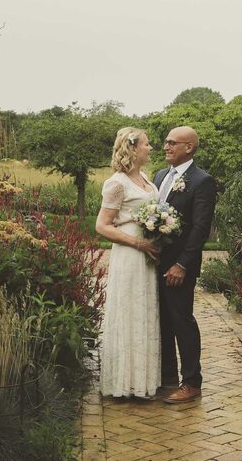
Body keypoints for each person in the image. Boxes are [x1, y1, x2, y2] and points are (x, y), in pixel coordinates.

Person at [95, 127, 161, 398]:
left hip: (148, 252)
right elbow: (102, 226)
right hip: (130, 251)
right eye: (146, 144)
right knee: (129, 311)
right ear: (133, 149)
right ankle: (124, 383)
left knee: (144, 311)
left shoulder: (145, 177)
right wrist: (138, 243)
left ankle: (142, 380)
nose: (151, 148)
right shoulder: (117, 183)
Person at [153, 126, 216, 404]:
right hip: (154, 263)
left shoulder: (202, 181)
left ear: (189, 147)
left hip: (179, 267)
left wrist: (182, 264)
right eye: (165, 142)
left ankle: (191, 382)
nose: (166, 147)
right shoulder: (160, 176)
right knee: (162, 321)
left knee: (182, 322)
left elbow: (200, 229)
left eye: (172, 143)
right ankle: (167, 376)